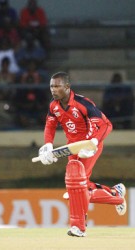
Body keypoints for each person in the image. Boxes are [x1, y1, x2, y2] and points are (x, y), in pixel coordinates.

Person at [37, 72, 126, 237]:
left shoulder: (82, 103)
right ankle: (116, 195)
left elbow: (106, 124)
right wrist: (48, 145)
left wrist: (93, 142)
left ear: (67, 87)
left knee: (76, 185)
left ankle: (78, 227)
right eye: (51, 86)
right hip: (73, 148)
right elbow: (50, 125)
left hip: (89, 146)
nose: (53, 90)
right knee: (79, 188)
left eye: (57, 86)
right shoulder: (53, 106)